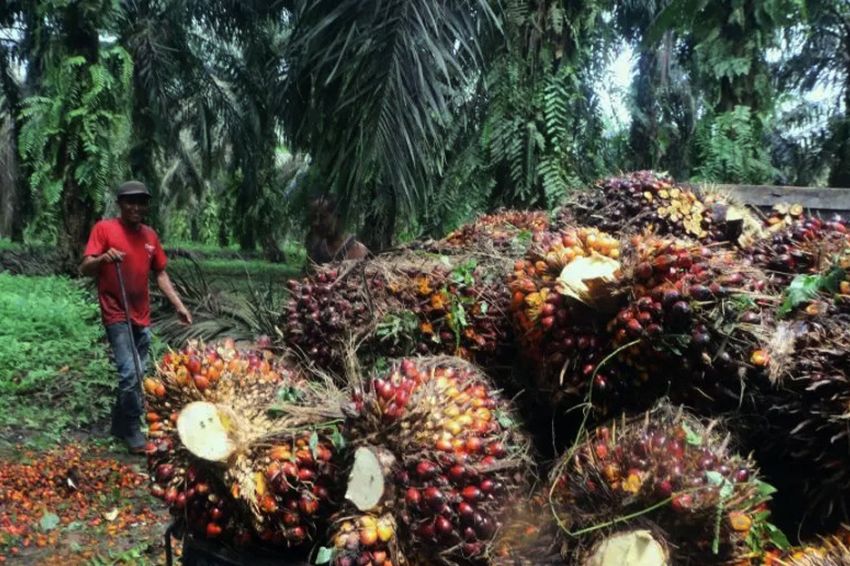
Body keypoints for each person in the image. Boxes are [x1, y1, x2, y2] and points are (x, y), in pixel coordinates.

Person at [80, 180, 192, 453]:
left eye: (141, 202)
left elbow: (161, 273)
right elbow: (85, 267)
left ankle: (118, 425)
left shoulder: (150, 237)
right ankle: (132, 428)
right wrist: (104, 259)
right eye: (130, 201)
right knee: (130, 374)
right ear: (120, 204)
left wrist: (178, 304)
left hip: (142, 315)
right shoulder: (104, 229)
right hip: (116, 312)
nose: (135, 207)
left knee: (139, 372)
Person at [305, 196, 369, 264]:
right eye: (314, 217)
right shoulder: (318, 250)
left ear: (337, 218)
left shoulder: (358, 250)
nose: (316, 223)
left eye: (323, 217)